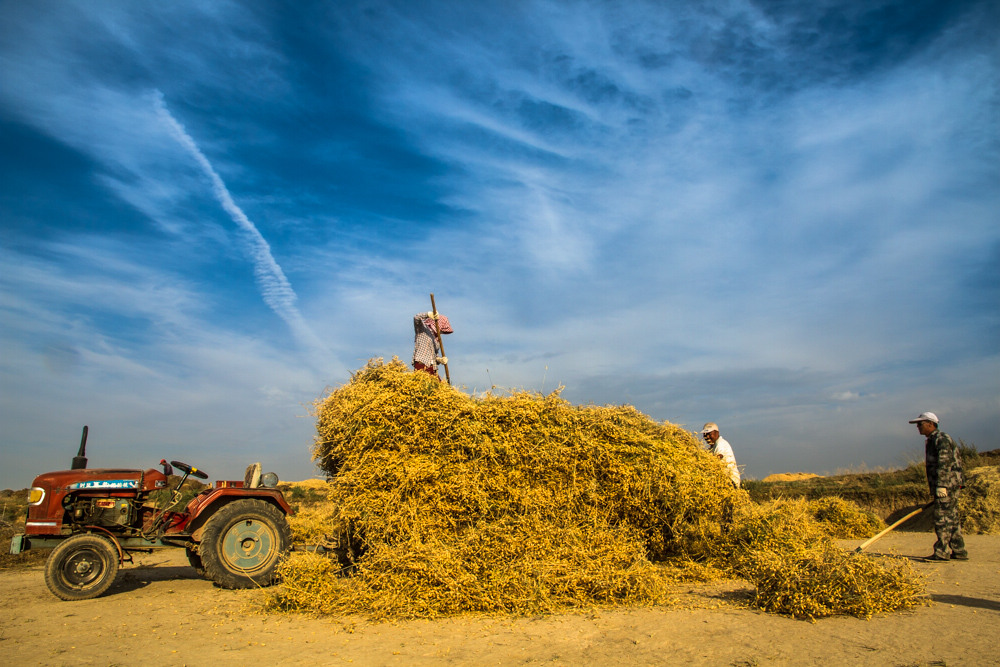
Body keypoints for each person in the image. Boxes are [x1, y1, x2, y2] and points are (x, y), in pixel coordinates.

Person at [909, 411, 967, 562]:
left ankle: (941, 552)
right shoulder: (932, 439)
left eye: (920, 424)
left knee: (942, 518)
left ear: (930, 423)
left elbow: (944, 462)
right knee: (952, 517)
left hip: (947, 485)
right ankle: (959, 550)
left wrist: (941, 486)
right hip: (948, 484)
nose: (918, 427)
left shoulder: (941, 439)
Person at [412, 310, 452, 380]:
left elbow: (434, 356)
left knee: (440, 388)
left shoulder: (436, 341)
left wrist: (440, 360)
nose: (441, 332)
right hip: (422, 364)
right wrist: (428, 314)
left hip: (432, 368)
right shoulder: (422, 328)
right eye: (442, 329)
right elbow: (416, 318)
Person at [701, 422, 740, 487]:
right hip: (722, 479)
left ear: (717, 433)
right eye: (704, 435)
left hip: (730, 480)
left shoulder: (720, 443)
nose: (707, 437)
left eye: (709, 434)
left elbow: (719, 456)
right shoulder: (712, 448)